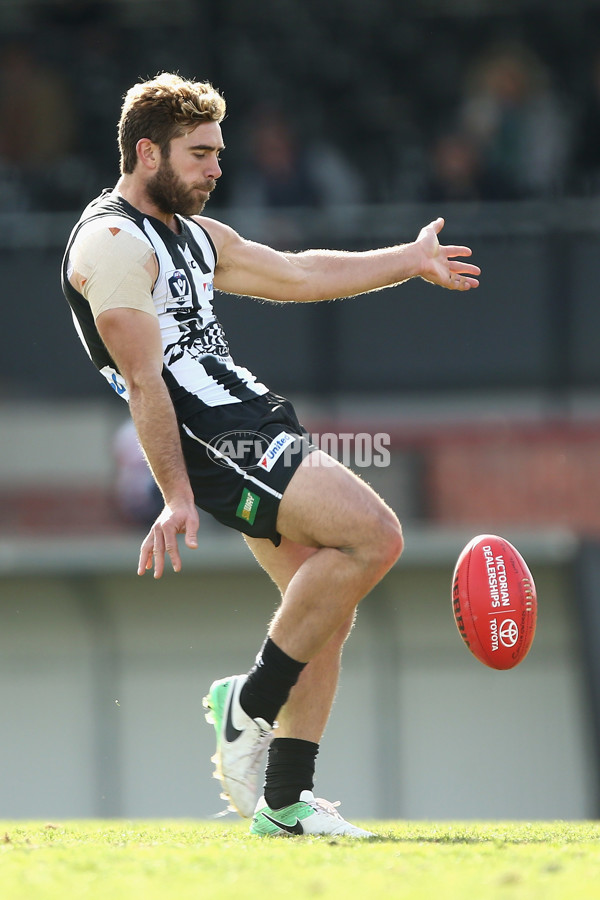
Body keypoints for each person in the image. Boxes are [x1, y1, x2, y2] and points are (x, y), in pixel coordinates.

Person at [61, 72, 480, 838]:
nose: (217, 168)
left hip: (249, 418)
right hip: (217, 439)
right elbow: (146, 384)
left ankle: (283, 802)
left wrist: (409, 260)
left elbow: (297, 273)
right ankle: (249, 704)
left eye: (218, 153)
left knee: (324, 613)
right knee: (376, 536)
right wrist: (176, 496)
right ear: (146, 151)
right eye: (200, 154)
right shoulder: (112, 242)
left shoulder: (190, 232)